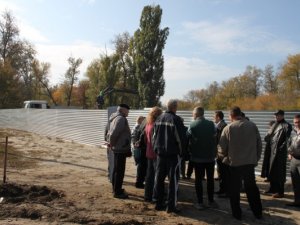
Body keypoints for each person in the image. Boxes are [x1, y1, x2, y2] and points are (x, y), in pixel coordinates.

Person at [218, 106, 262, 220]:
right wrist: (255, 159)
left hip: (234, 164)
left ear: (231, 116)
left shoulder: (228, 128)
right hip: (249, 164)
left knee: (234, 190)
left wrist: (225, 159)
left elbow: (221, 148)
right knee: (251, 188)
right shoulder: (252, 125)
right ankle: (258, 212)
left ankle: (237, 214)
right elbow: (259, 144)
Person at [152, 99, 187, 213]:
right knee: (173, 181)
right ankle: (171, 207)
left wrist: (156, 149)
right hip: (172, 155)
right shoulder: (175, 119)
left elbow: (154, 137)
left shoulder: (159, 118)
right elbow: (181, 139)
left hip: (160, 154)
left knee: (159, 179)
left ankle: (158, 203)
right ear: (175, 107)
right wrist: (182, 153)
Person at [188, 106, 217, 210]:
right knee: (210, 180)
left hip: (197, 158)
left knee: (198, 180)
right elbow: (215, 137)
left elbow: (187, 138)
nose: (192, 115)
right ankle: (211, 201)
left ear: (196, 114)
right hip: (210, 158)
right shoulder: (212, 124)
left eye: (193, 113)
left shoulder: (192, 125)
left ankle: (200, 202)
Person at [264, 109, 292, 198]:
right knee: (271, 171)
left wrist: (280, 149)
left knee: (280, 173)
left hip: (279, 153)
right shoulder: (274, 124)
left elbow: (287, 140)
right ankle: (272, 189)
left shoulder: (287, 125)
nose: (276, 116)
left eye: (278, 115)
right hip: (271, 150)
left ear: (282, 115)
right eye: (275, 115)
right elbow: (269, 136)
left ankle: (280, 192)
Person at [108, 103, 132, 199]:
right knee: (119, 171)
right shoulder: (121, 119)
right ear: (123, 110)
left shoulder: (116, 117)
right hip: (120, 148)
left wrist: (112, 145)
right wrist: (112, 144)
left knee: (117, 170)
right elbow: (114, 133)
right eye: (127, 111)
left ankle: (116, 188)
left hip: (119, 147)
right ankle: (117, 192)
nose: (128, 113)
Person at [144, 106, 163, 202]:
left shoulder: (148, 124)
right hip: (155, 154)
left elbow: (145, 140)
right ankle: (155, 196)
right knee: (156, 176)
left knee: (149, 175)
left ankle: (147, 195)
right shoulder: (155, 125)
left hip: (148, 152)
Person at [286, 114, 300, 207]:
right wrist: (289, 153)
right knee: (295, 182)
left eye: (299, 122)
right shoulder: (293, 132)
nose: (297, 124)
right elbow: (290, 143)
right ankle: (297, 201)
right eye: (295, 122)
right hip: (294, 160)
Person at [214, 110, 228, 198]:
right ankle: (222, 189)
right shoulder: (220, 126)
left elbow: (221, 141)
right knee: (220, 172)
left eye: (214, 117)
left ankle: (225, 191)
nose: (213, 118)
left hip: (222, 153)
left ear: (218, 117)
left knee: (223, 173)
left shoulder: (223, 127)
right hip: (220, 153)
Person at [131, 115, 147, 189]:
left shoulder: (136, 126)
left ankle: (140, 180)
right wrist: (136, 145)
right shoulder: (138, 127)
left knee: (140, 165)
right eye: (143, 120)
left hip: (137, 148)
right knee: (140, 165)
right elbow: (135, 138)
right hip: (138, 148)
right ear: (140, 120)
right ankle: (139, 181)